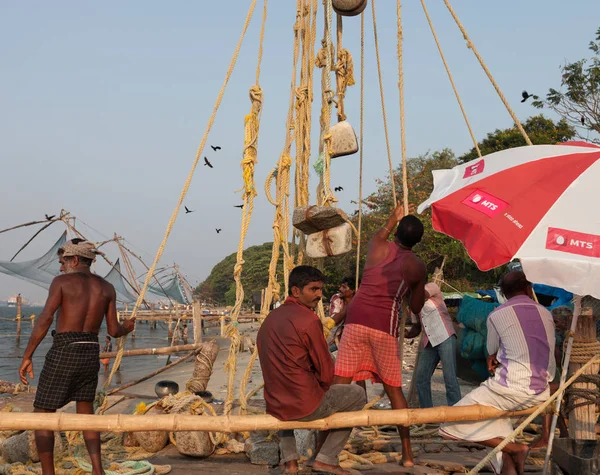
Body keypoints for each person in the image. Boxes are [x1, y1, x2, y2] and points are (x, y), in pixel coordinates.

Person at [19, 239, 136, 475]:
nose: (61, 267)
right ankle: (97, 469)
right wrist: (127, 327)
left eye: (62, 261)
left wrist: (27, 355)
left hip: (65, 349)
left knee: (42, 415)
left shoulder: (62, 282)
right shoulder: (106, 288)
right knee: (86, 413)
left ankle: (48, 473)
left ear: (74, 260)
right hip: (90, 351)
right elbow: (114, 331)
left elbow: (45, 319)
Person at [333, 203, 427, 467]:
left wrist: (393, 216)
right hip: (383, 327)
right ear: (417, 241)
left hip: (354, 322)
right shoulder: (416, 265)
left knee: (339, 386)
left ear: (397, 232)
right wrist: (422, 291)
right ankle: (407, 454)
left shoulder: (377, 246)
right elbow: (417, 307)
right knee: (394, 390)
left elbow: (381, 233)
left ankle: (322, 450)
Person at [440, 271, 556, 475]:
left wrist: (491, 358)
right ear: (529, 289)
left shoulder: (497, 314)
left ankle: (515, 448)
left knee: (449, 424)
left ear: (502, 293)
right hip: (541, 392)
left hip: (510, 391)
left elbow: (491, 349)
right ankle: (508, 466)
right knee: (496, 425)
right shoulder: (546, 313)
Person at [257, 266, 366, 475]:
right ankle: (326, 458)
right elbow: (326, 372)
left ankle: (290, 462)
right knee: (358, 394)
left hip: (275, 402)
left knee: (283, 398)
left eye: (320, 289)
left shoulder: (269, 320)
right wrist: (320, 386)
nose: (319, 295)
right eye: (314, 289)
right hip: (306, 404)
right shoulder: (308, 320)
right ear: (296, 291)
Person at [406, 282, 461, 408]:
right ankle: (428, 414)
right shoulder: (414, 305)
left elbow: (422, 295)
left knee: (450, 378)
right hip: (429, 342)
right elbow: (417, 327)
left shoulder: (431, 287)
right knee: (421, 379)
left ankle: (456, 413)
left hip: (445, 336)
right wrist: (406, 334)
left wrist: (406, 293)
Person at [530, 306, 570, 449]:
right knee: (552, 399)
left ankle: (546, 436)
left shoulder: (563, 335)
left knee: (547, 396)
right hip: (558, 371)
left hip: (560, 373)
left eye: (558, 322)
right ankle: (563, 433)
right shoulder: (559, 334)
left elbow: (557, 358)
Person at [327, 277, 356, 351]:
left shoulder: (360, 301)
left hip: (353, 340)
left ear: (352, 290)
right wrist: (349, 304)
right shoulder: (337, 298)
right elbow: (334, 320)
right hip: (336, 340)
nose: (340, 289)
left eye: (344, 287)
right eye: (341, 286)